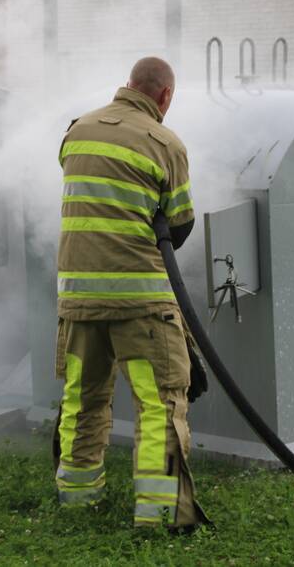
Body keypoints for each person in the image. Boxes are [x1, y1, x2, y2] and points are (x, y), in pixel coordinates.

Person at [53, 56, 207, 529]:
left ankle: (78, 500)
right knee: (158, 404)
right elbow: (179, 226)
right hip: (141, 305)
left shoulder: (77, 131)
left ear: (127, 85)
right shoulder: (166, 143)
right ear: (164, 96)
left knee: (82, 400)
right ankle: (160, 512)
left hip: (78, 300)